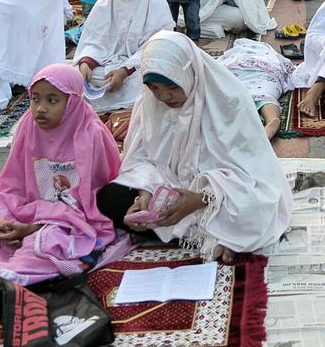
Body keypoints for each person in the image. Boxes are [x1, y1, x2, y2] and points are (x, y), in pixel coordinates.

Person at [0, 64, 122, 339]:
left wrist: (33, 228)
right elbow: (14, 183)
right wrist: (10, 220)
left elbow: (91, 202)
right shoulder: (28, 126)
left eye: (52, 100)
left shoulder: (90, 134)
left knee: (46, 243)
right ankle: (16, 268)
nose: (40, 108)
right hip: (28, 211)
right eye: (35, 99)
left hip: (69, 222)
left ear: (72, 102)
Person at [96, 31, 292, 261]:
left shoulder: (230, 101)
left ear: (188, 73)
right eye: (154, 88)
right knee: (110, 197)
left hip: (218, 195)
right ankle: (218, 236)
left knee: (256, 209)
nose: (163, 96)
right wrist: (144, 194)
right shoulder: (149, 102)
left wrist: (198, 199)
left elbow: (251, 174)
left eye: (171, 86)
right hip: (166, 190)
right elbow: (141, 157)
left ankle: (205, 233)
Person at [218, 39, 295, 141]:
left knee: (231, 94)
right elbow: (287, 66)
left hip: (237, 70)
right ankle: (271, 119)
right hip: (263, 71)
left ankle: (240, 123)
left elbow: (216, 66)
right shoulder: (271, 53)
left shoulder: (231, 53)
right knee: (266, 95)